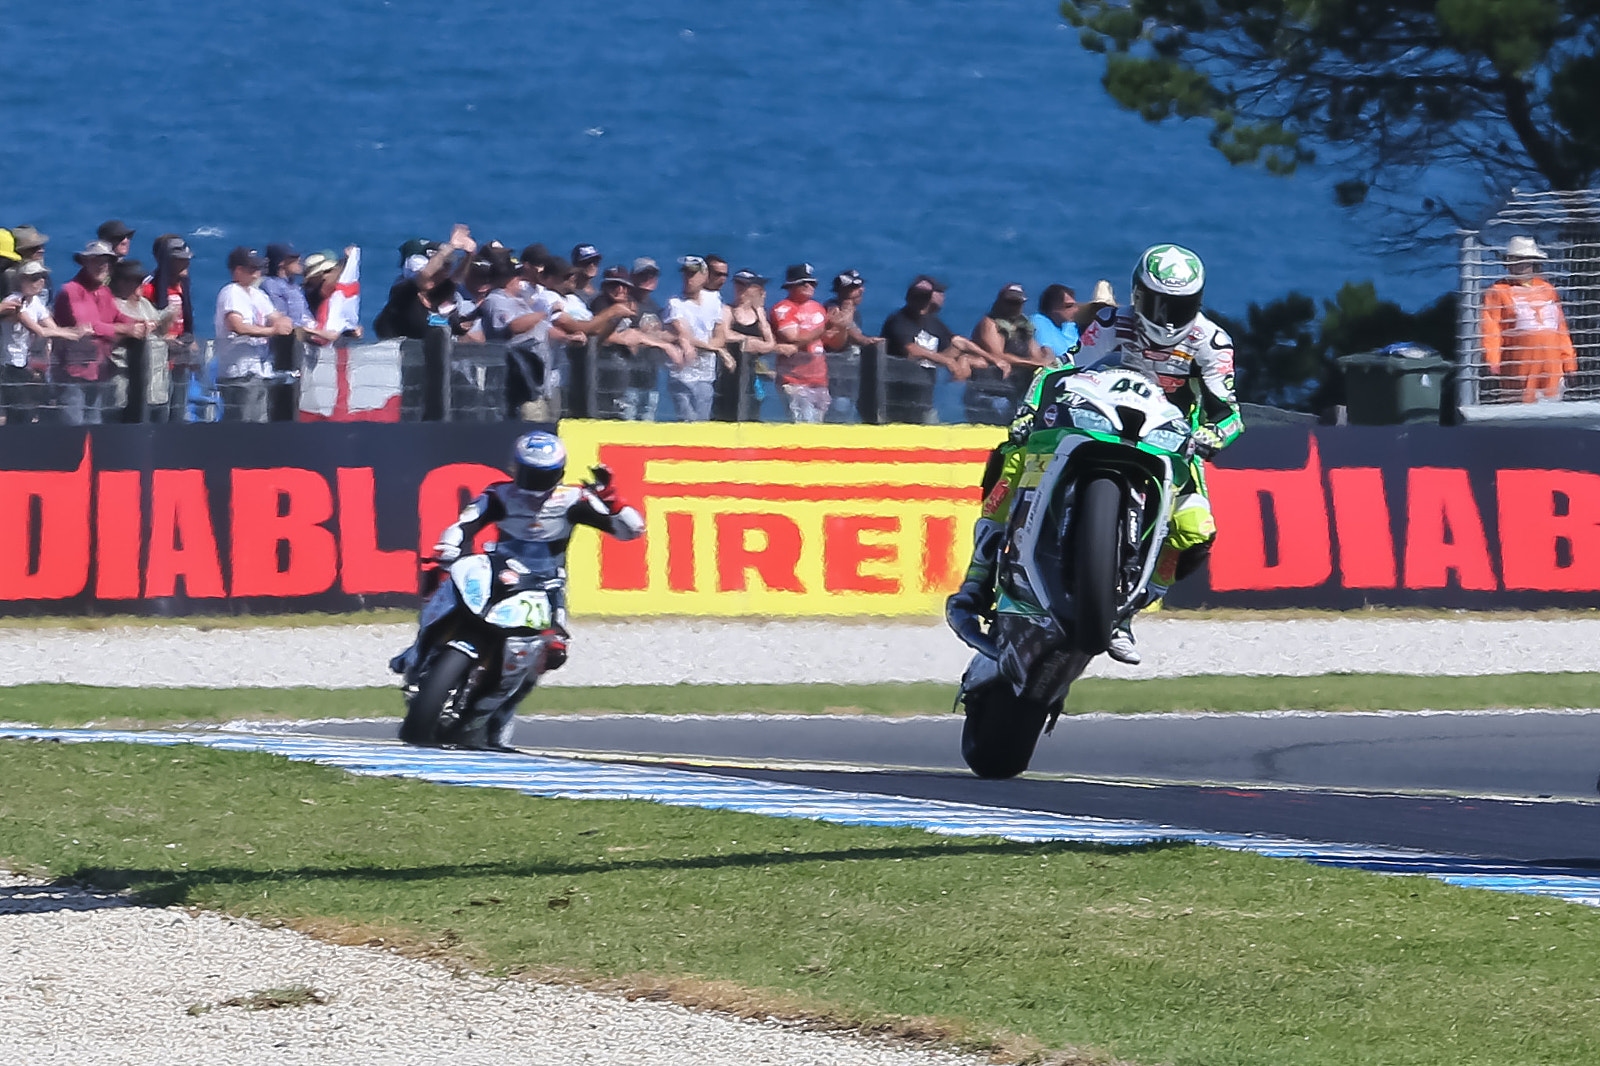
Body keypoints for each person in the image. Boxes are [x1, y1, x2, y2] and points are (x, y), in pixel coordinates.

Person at [947, 243, 1242, 666]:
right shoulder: (1112, 320)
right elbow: (1061, 366)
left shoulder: (1211, 341)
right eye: (1158, 303)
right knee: (1016, 454)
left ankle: (1130, 610)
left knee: (1198, 532)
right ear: (1138, 295)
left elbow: (1230, 413)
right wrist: (1030, 412)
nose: (1167, 316)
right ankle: (975, 581)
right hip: (1097, 420)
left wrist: (1211, 436)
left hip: (1170, 441)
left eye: (1180, 305)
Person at [389, 430, 645, 749]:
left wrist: (612, 501)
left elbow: (632, 531)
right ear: (516, 468)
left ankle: (499, 712)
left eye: (544, 475)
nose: (536, 483)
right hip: (498, 571)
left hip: (546, 585)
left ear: (559, 472)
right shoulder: (499, 494)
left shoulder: (574, 499)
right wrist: (448, 546)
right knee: (443, 581)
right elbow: (464, 524)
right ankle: (417, 653)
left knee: (552, 653)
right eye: (530, 473)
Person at [53, 240, 149, 424]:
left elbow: (117, 316)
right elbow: (88, 326)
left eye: (106, 261)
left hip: (98, 371)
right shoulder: (71, 290)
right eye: (97, 260)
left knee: (95, 427)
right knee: (73, 430)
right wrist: (127, 329)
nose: (103, 266)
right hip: (72, 375)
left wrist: (140, 323)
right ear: (85, 262)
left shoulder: (104, 292)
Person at [1480, 236, 1578, 403]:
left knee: (1552, 409)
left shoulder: (1547, 289)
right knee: (1521, 410)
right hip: (1519, 365)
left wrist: (1569, 362)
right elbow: (1491, 329)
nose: (1521, 265)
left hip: (1552, 365)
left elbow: (1560, 329)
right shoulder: (1498, 291)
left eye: (1525, 260)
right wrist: (1493, 360)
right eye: (1516, 260)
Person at [878, 276, 985, 422]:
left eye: (925, 297)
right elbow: (912, 350)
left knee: (931, 428)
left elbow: (957, 343)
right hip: (896, 398)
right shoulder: (898, 320)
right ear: (909, 296)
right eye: (918, 296)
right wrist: (947, 361)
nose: (921, 301)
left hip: (924, 398)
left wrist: (987, 358)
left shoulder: (934, 323)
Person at [0, 261, 85, 423]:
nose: (39, 282)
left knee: (29, 412)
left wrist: (72, 332)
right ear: (21, 280)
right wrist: (73, 334)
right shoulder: (15, 303)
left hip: (25, 366)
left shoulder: (36, 302)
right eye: (33, 278)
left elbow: (51, 327)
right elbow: (39, 331)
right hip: (8, 368)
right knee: (19, 414)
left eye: (42, 277)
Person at [214, 246, 291, 422]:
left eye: (258, 268)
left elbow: (275, 316)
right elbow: (237, 325)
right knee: (240, 423)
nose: (257, 273)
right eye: (252, 269)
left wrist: (283, 323)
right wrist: (272, 331)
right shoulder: (231, 292)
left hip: (259, 371)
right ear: (238, 270)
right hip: (238, 373)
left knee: (258, 424)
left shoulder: (258, 295)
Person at [966, 283, 1049, 424]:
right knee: (1003, 411)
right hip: (989, 392)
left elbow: (1035, 353)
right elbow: (997, 355)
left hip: (1016, 390)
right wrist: (1033, 363)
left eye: (1017, 303)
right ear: (1000, 302)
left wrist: (1046, 362)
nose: (1013, 307)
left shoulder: (1023, 327)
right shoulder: (990, 324)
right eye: (1009, 303)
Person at [374, 226, 475, 340]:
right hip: (397, 349)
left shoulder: (441, 290)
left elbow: (457, 277)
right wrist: (450, 247)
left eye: (447, 267)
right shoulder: (404, 290)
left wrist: (469, 255)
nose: (443, 272)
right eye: (440, 268)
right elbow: (424, 276)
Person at [110, 258, 178, 422]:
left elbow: (160, 330)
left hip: (157, 388)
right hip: (128, 388)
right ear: (121, 282)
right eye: (136, 280)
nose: (141, 284)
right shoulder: (115, 305)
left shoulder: (145, 304)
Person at [664, 255, 729, 421]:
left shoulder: (713, 300)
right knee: (687, 420)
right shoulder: (675, 304)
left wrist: (715, 346)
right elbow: (685, 335)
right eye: (686, 274)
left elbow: (720, 333)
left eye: (692, 274)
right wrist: (717, 350)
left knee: (702, 421)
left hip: (706, 373)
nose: (688, 279)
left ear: (704, 275)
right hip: (682, 374)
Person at [770, 263, 830, 422]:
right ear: (791, 285)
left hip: (819, 380)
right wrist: (823, 330)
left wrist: (841, 326)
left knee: (817, 427)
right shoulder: (783, 308)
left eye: (813, 283)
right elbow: (792, 337)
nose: (809, 286)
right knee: (803, 425)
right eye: (804, 282)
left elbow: (829, 338)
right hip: (795, 380)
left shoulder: (818, 308)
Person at [823, 269, 880, 352]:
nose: (862, 290)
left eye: (861, 286)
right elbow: (848, 328)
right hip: (834, 358)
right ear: (842, 290)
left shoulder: (853, 310)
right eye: (855, 287)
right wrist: (865, 340)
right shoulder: (833, 308)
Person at [261, 243, 314, 329]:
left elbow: (305, 313)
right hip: (290, 337)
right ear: (281, 262)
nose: (299, 260)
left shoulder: (293, 285)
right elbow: (281, 318)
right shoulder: (271, 285)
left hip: (306, 332)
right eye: (294, 257)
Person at [1029, 284, 1079, 365]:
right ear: (1053, 307)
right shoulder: (1039, 321)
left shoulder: (1070, 326)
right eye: (1069, 306)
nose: (1075, 310)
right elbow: (1048, 351)